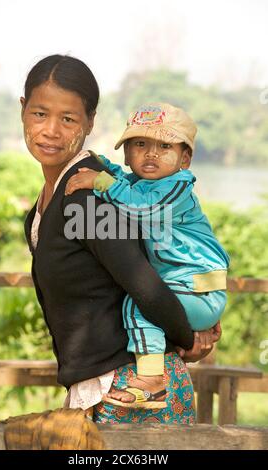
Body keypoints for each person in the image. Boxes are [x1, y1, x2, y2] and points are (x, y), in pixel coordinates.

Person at [21, 54, 220, 424]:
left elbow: (143, 283)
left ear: (90, 122)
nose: (51, 130)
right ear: (22, 110)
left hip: (135, 392)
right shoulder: (45, 205)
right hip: (105, 387)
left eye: (68, 119)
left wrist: (188, 335)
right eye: (39, 114)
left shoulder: (88, 196)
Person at [65, 102, 229, 409]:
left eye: (165, 146)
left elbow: (143, 207)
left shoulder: (176, 188)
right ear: (127, 154)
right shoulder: (140, 185)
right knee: (144, 304)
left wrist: (101, 182)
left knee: (140, 304)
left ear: (185, 158)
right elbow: (126, 188)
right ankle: (155, 370)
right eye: (140, 144)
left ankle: (152, 381)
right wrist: (102, 168)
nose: (151, 153)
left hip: (198, 287)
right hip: (189, 289)